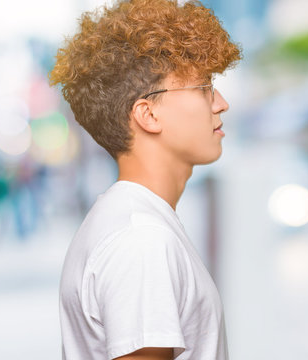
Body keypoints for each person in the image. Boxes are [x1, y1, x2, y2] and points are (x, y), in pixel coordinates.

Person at [48, 0, 241, 359]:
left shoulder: (135, 224)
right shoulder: (141, 239)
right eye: (204, 88)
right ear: (148, 114)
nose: (221, 103)